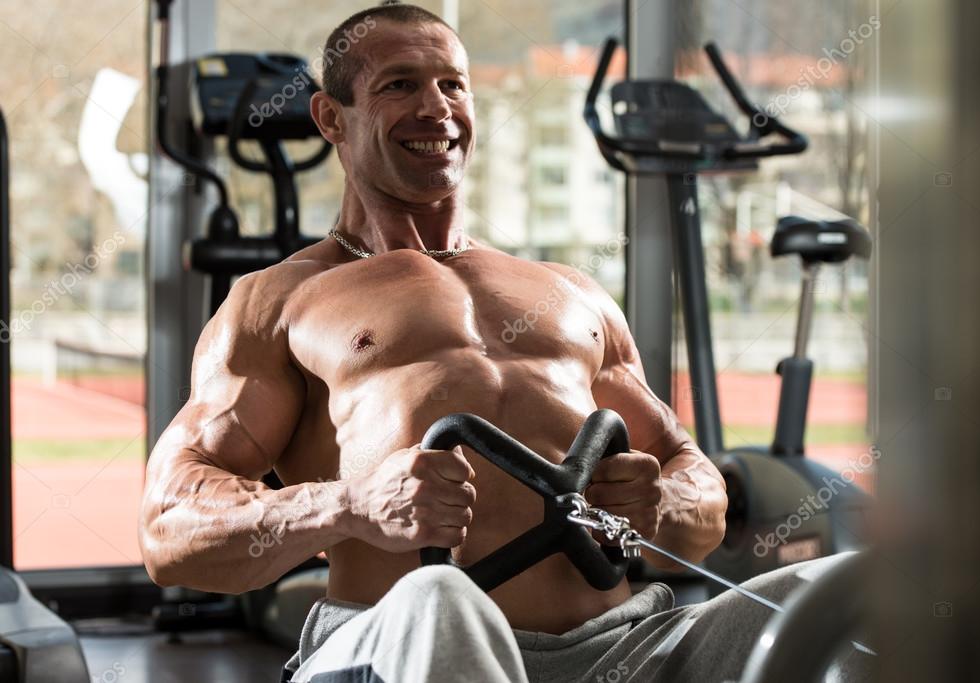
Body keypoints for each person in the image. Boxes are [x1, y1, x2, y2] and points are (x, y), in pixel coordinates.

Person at [139, 4, 864, 682]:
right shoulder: (278, 300)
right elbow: (168, 530)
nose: (436, 108)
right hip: (397, 639)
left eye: (452, 85)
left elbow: (694, 481)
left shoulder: (568, 292)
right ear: (331, 116)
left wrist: (661, 505)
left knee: (839, 587)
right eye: (400, 85)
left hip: (620, 647)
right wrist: (348, 505)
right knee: (440, 597)